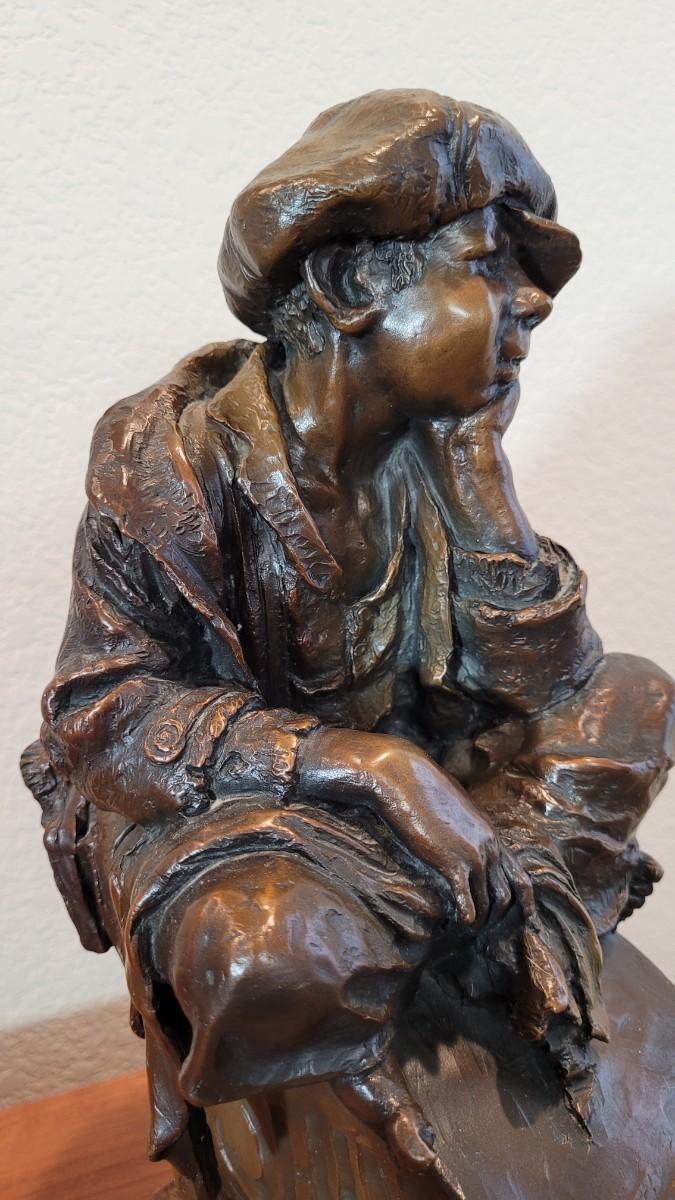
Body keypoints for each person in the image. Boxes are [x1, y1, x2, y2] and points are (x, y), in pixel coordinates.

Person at [21, 90, 674, 1194]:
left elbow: (551, 693)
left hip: (442, 786)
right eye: (486, 263)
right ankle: (481, 916)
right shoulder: (168, 455)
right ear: (345, 285)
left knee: (638, 697)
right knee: (270, 957)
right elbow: (103, 711)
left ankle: (502, 899)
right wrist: (361, 768)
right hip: (239, 816)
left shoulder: (438, 446)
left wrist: (483, 484)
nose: (530, 303)